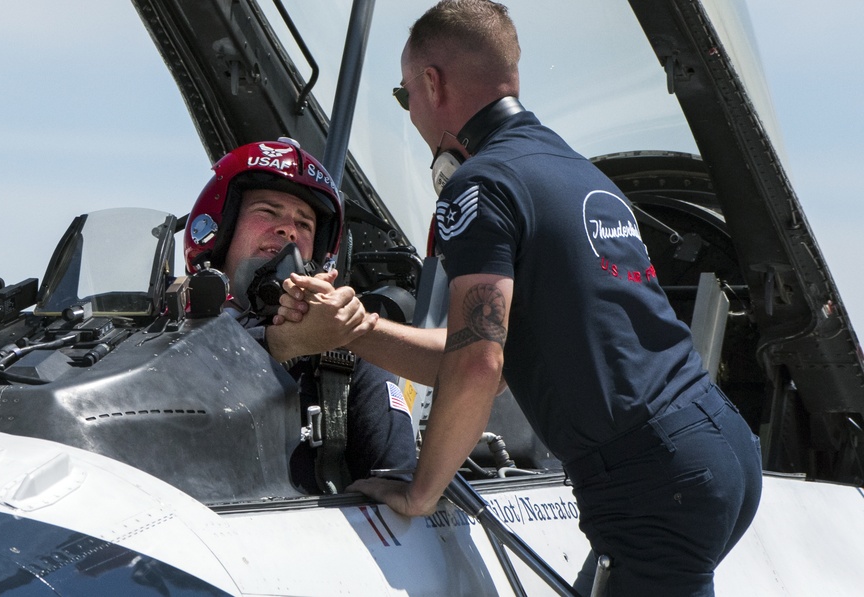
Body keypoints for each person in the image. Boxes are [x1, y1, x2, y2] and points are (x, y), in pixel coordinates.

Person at [278, 1, 762, 594]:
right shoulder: (569, 166)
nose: (412, 115)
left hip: (656, 483)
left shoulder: (478, 187)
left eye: (406, 97)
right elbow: (484, 359)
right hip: (721, 449)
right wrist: (356, 331)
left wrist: (421, 490)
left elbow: (480, 365)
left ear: (432, 83)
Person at [183, 137, 415, 495]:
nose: (289, 230)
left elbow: (396, 486)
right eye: (268, 211)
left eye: (304, 224)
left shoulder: (346, 356)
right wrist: (283, 342)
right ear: (221, 227)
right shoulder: (169, 337)